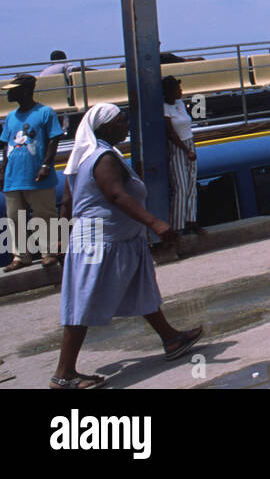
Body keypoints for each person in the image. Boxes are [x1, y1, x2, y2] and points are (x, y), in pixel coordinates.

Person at [52, 103, 203, 388]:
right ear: (105, 127)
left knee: (140, 288)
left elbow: (68, 202)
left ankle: (171, 339)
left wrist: (61, 237)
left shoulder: (82, 157)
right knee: (82, 305)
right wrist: (155, 223)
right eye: (121, 122)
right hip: (101, 243)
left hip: (119, 242)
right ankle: (64, 374)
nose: (126, 126)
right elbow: (117, 196)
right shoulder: (103, 158)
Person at [2, 73, 64, 271]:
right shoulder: (11, 117)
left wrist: (46, 165)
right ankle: (20, 255)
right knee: (14, 217)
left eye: (13, 90)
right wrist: (3, 169)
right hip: (14, 175)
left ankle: (49, 252)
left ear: (26, 90)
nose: (9, 94)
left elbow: (54, 139)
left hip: (37, 173)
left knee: (44, 214)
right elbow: (6, 144)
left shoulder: (45, 113)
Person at [161, 76, 201, 235]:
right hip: (178, 148)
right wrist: (186, 150)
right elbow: (170, 133)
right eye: (177, 89)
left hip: (189, 142)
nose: (181, 91)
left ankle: (191, 220)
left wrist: (191, 148)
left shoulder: (180, 104)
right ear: (169, 92)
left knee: (192, 183)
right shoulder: (164, 108)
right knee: (181, 187)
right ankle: (178, 225)